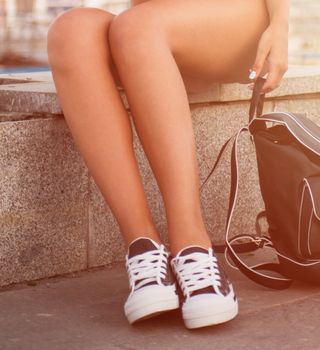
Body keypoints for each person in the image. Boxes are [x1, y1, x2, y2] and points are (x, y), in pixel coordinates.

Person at [46, 0, 289, 329]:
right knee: (71, 31)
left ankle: (193, 245)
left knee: (137, 25)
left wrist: (281, 25)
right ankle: (143, 249)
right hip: (148, 27)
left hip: (235, 22)